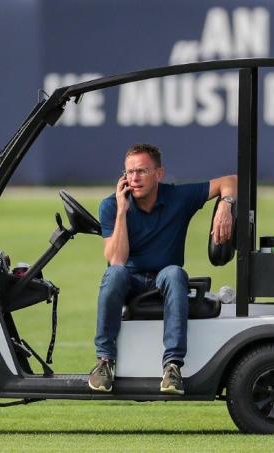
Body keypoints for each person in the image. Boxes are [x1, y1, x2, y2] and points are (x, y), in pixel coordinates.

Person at [88, 143, 237, 395]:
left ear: (159, 174)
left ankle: (172, 367)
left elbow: (231, 180)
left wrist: (226, 205)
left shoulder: (177, 197)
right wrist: (122, 212)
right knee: (114, 274)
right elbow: (116, 260)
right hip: (129, 280)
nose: (134, 178)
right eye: (129, 172)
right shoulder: (111, 206)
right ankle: (104, 361)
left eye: (142, 171)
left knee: (174, 273)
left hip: (163, 279)